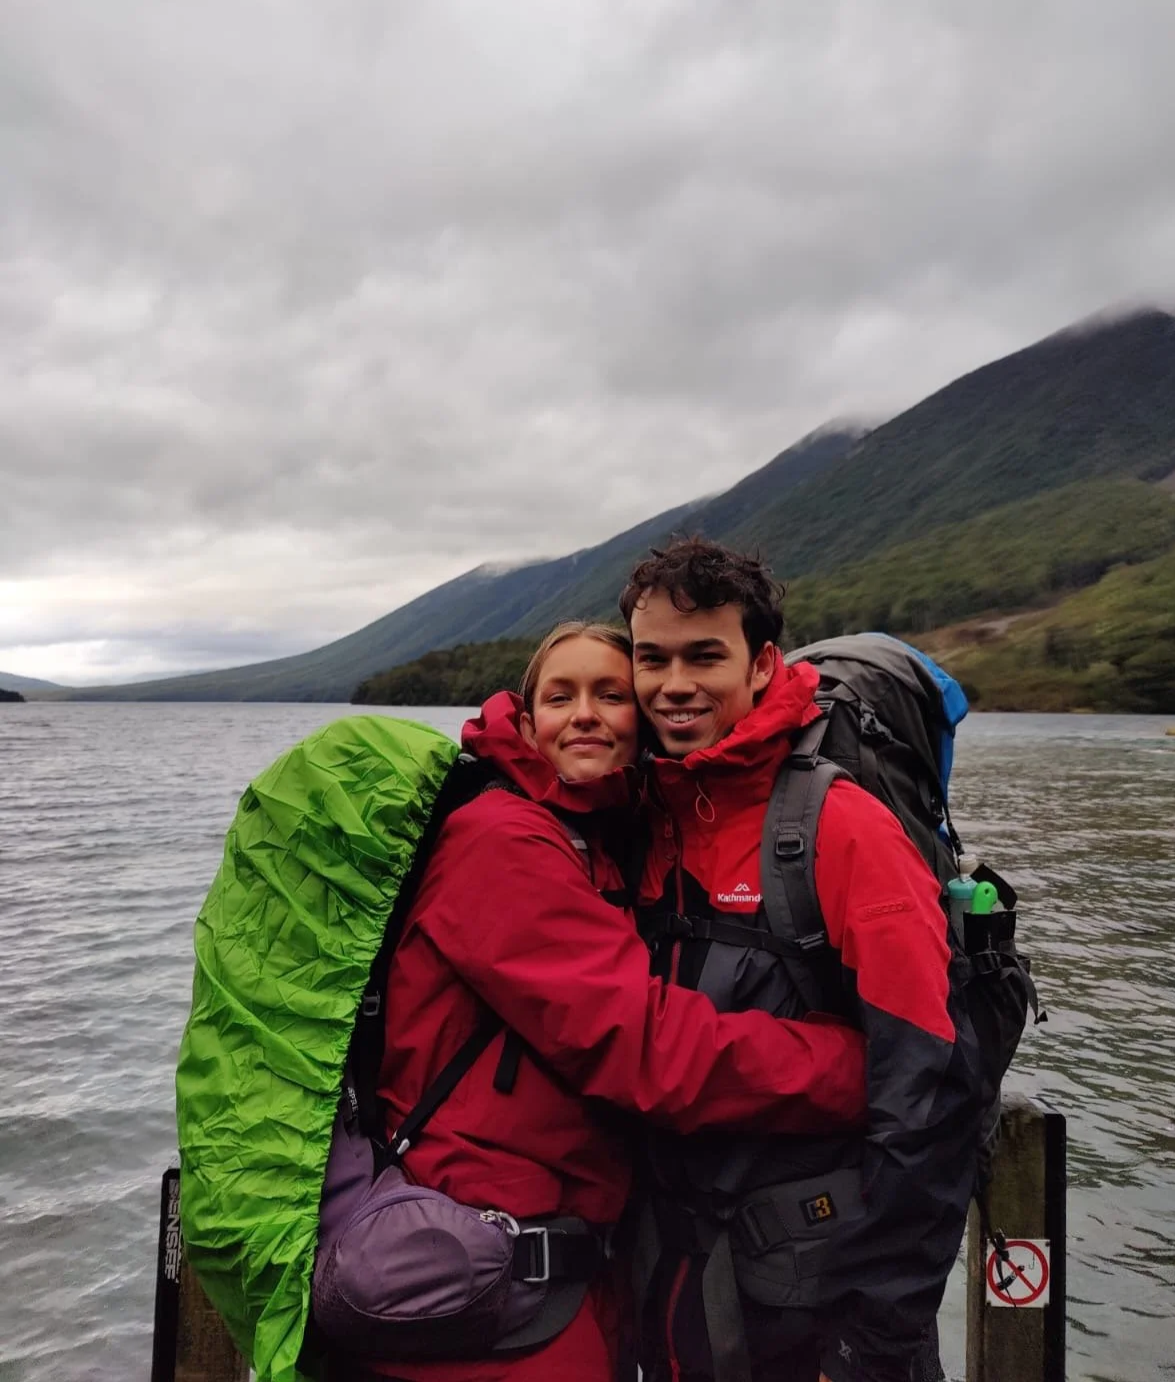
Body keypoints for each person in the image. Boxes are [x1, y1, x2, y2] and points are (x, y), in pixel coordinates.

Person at [363, 621, 870, 1382]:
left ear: (643, 722)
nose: (587, 713)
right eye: (560, 695)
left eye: (610, 693)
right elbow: (644, 1043)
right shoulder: (501, 841)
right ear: (526, 724)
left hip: (555, 1275)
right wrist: (853, 1065)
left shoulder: (596, 840)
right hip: (486, 1288)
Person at [619, 540, 982, 1382]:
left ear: (761, 665)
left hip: (815, 1306)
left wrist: (873, 1341)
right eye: (653, 658)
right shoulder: (644, 817)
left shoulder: (841, 827)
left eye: (705, 655)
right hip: (676, 1281)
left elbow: (927, 1099)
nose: (675, 684)